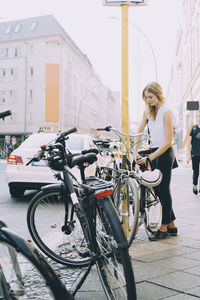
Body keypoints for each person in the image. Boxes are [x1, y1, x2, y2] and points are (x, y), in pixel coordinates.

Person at [134, 82, 177, 241]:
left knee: (164, 189)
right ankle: (172, 224)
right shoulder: (148, 112)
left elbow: (167, 141)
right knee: (157, 190)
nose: (148, 100)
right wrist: (134, 151)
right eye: (146, 98)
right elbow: (139, 131)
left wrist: (149, 158)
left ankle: (164, 227)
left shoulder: (167, 112)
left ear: (158, 94)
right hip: (153, 153)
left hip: (165, 153)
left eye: (150, 97)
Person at [188, 111, 200, 195]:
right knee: (195, 171)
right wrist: (189, 154)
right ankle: (195, 186)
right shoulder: (194, 128)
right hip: (194, 154)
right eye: (199, 116)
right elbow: (189, 142)